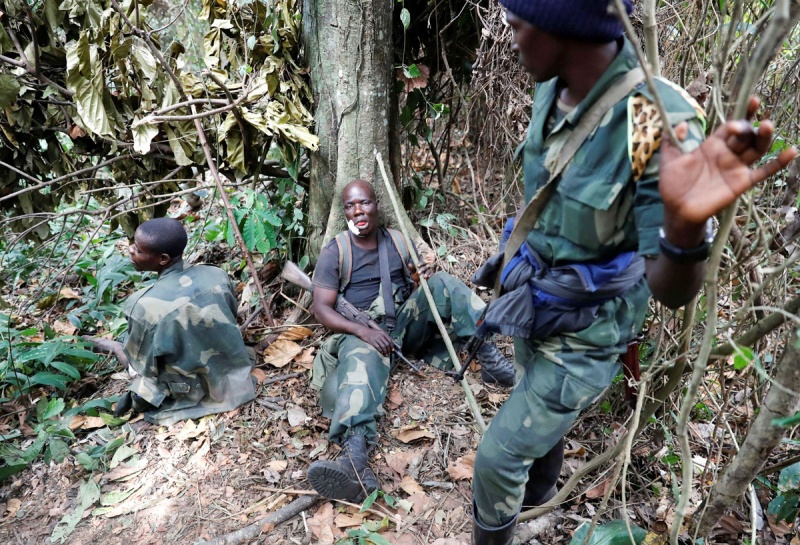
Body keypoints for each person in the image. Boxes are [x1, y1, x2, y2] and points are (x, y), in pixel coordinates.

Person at [468, 1, 799, 543]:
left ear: (562, 27)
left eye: (515, 22)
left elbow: (671, 290)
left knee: (495, 460)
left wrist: (684, 230)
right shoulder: (551, 85)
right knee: (533, 399)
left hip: (587, 332)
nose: (508, 36)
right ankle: (541, 501)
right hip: (535, 299)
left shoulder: (647, 118)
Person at [306, 180, 516, 503]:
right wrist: (363, 331)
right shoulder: (337, 251)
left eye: (364, 203)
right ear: (344, 212)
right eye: (350, 206)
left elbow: (421, 283)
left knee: (445, 284)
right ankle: (355, 459)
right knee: (361, 358)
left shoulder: (397, 240)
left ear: (377, 205)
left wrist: (424, 273)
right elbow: (320, 307)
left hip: (401, 329)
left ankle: (486, 354)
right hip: (359, 334)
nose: (358, 211)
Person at [86, 218, 257, 426]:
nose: (131, 250)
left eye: (138, 250)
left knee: (136, 371)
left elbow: (143, 366)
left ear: (163, 259)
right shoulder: (216, 274)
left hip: (195, 389)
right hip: (234, 368)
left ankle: (111, 346)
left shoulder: (142, 306)